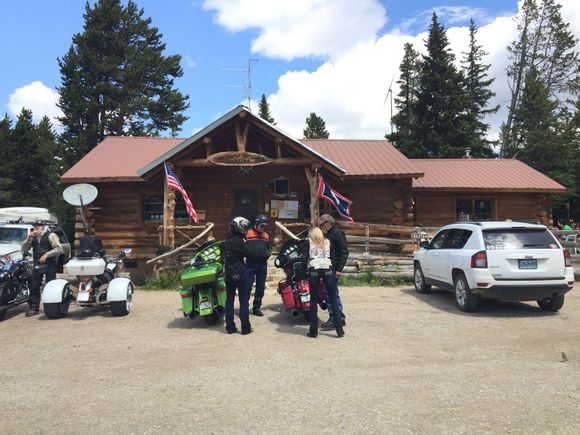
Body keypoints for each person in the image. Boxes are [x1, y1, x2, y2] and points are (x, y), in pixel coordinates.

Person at [306, 226, 344, 338]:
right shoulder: (327, 241)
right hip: (328, 269)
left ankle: (313, 331)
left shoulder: (308, 242)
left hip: (314, 270)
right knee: (333, 298)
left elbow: (304, 258)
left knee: (313, 299)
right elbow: (332, 255)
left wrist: (303, 273)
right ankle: (339, 330)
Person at [21, 221, 64, 316]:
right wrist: (28, 239)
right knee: (34, 285)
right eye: (34, 226)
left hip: (50, 264)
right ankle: (34, 308)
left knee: (50, 285)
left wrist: (47, 255)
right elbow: (24, 249)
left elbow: (59, 249)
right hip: (37, 264)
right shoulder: (33, 237)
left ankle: (52, 307)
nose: (35, 228)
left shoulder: (51, 235)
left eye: (37, 226)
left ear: (43, 227)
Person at [221, 216, 252, 335]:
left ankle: (230, 327)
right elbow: (249, 254)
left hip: (229, 273)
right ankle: (245, 328)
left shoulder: (225, 243)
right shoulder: (240, 242)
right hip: (240, 272)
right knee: (243, 301)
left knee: (229, 300)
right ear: (240, 227)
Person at [318, 214, 348, 330]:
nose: (321, 227)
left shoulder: (337, 233)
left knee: (330, 292)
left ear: (328, 223)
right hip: (328, 267)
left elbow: (344, 252)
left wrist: (339, 269)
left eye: (322, 224)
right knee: (329, 292)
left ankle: (336, 319)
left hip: (334, 268)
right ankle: (339, 318)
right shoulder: (328, 234)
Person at [246, 214, 272, 317]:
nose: (263, 228)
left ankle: (256, 307)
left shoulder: (266, 236)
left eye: (265, 226)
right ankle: (244, 307)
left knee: (260, 287)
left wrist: (268, 254)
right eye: (262, 225)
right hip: (250, 264)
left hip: (262, 265)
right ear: (256, 224)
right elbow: (242, 247)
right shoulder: (248, 234)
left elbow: (269, 247)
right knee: (247, 286)